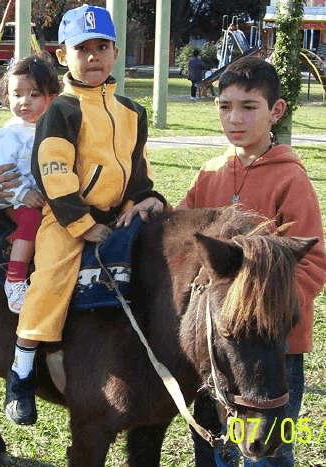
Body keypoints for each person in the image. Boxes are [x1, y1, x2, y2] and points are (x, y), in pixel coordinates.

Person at [4, 4, 166, 426]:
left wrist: (148, 198)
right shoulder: (62, 109)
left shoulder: (133, 111)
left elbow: (136, 167)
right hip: (67, 215)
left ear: (115, 52)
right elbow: (53, 170)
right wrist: (82, 223)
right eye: (82, 48)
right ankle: (21, 369)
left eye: (101, 47)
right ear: (63, 56)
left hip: (119, 211)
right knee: (53, 274)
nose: (92, 56)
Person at [178, 56, 326, 466]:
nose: (234, 118)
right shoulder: (209, 174)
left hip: (276, 352)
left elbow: (311, 262)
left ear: (275, 110)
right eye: (225, 106)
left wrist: (261, 309)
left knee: (269, 453)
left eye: (248, 107)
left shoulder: (289, 178)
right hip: (219, 354)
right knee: (217, 446)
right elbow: (185, 241)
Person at [0, 55, 60, 313]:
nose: (24, 102)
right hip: (13, 198)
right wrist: (22, 193)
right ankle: (15, 279)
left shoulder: (53, 128)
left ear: (50, 97)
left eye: (34, 94)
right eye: (17, 95)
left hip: (47, 195)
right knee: (31, 220)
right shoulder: (8, 135)